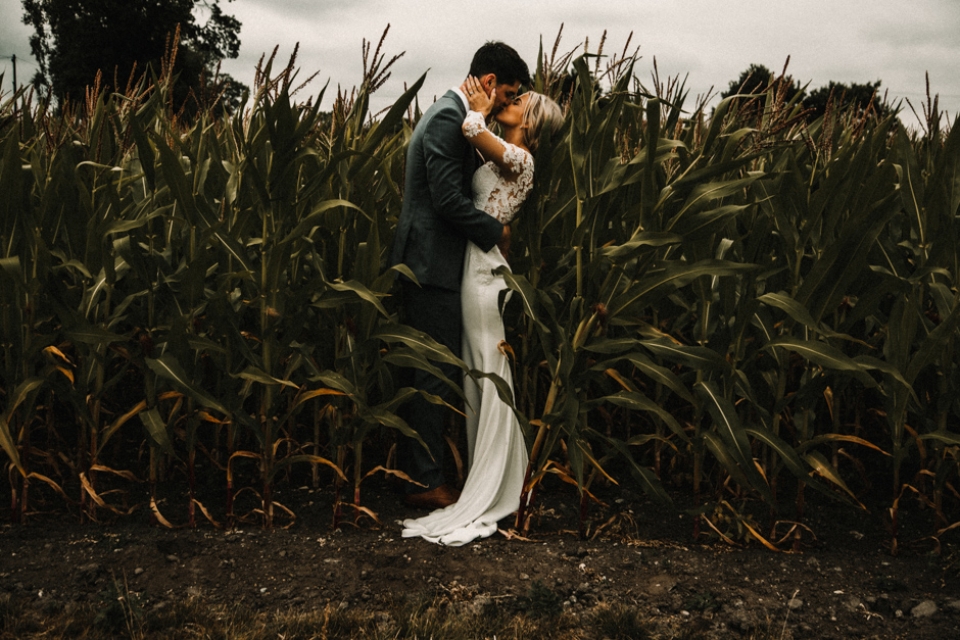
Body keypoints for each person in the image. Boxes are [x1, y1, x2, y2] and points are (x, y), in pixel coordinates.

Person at [401, 76, 564, 545]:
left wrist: (476, 105)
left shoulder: (522, 159)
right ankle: (487, 477)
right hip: (473, 264)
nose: (510, 102)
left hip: (482, 275)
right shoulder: (501, 150)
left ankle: (495, 483)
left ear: (530, 121)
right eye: (512, 94)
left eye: (520, 101)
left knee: (488, 370)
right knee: (479, 371)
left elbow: (472, 132)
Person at [390, 42, 530, 510]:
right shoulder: (451, 118)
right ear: (489, 84)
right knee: (431, 371)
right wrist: (498, 233)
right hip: (433, 265)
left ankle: (431, 472)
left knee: (436, 369)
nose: (508, 104)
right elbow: (449, 201)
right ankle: (425, 480)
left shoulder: (452, 114)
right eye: (508, 93)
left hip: (440, 264)